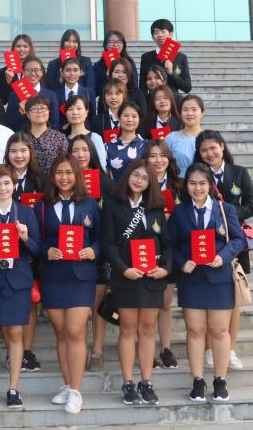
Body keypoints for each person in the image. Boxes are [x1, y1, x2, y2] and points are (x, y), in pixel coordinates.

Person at [169, 163, 247, 403]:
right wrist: (182, 262)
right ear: (186, 186)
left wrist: (222, 256)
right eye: (192, 183)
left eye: (202, 183)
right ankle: (198, 380)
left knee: (220, 331)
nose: (198, 188)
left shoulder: (225, 209)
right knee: (195, 330)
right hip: (192, 279)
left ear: (210, 185)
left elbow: (239, 239)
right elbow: (170, 244)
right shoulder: (179, 212)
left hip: (219, 278)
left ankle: (220, 380)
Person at [35, 155, 102, 414]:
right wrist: (46, 251)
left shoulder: (91, 204)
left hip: (81, 276)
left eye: (69, 172)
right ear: (52, 177)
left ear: (77, 175)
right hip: (53, 276)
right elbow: (35, 241)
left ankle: (76, 390)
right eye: (59, 173)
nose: (64, 177)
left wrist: (93, 250)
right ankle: (66, 384)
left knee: (75, 331)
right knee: (61, 332)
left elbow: (101, 237)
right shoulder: (42, 206)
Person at [102, 159, 172, 406]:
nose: (139, 181)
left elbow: (167, 244)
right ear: (128, 176)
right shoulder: (113, 205)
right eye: (136, 175)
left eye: (145, 178)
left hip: (152, 278)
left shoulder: (156, 208)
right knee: (128, 329)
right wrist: (124, 269)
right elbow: (108, 244)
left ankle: (146, 382)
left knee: (147, 329)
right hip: (127, 277)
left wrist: (165, 269)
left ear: (150, 183)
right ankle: (128, 383)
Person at [0, 164, 42, 411]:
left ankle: (13, 389)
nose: (2, 188)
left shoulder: (26, 213)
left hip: (18, 281)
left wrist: (25, 238)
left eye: (6, 183)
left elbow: (38, 249)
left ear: (14, 186)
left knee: (15, 335)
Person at [196, 129, 253, 371]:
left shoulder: (239, 173)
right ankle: (210, 350)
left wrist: (227, 216)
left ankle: (229, 349)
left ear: (222, 146)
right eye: (204, 150)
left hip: (235, 242)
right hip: (206, 242)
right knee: (207, 297)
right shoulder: (198, 175)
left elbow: (251, 205)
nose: (210, 153)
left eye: (213, 148)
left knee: (233, 300)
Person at [66, 134, 113, 372]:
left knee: (96, 302)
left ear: (92, 152)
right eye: (75, 151)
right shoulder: (65, 181)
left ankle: (97, 350)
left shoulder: (106, 183)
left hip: (99, 247)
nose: (80, 155)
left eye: (85, 150)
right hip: (72, 251)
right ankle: (80, 349)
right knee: (80, 305)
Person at [145, 138, 184, 370]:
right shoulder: (140, 182)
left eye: (162, 155)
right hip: (145, 249)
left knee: (165, 303)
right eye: (152, 156)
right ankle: (146, 349)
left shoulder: (179, 185)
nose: (158, 160)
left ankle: (166, 348)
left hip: (171, 248)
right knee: (147, 305)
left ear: (169, 158)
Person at [1, 56, 60, 132]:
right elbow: (8, 124)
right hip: (22, 137)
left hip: (45, 137)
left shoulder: (51, 95)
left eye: (36, 70)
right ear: (23, 72)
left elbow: (54, 124)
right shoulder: (14, 94)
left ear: (42, 72)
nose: (33, 73)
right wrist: (20, 111)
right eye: (29, 70)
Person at [139, 18, 191, 96]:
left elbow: (187, 87)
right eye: (156, 32)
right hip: (153, 100)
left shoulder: (181, 57)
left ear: (170, 34)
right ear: (152, 37)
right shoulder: (146, 57)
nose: (160, 35)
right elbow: (142, 85)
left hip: (174, 100)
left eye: (163, 31)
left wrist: (171, 73)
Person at [63, 94, 109, 172]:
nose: (75, 112)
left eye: (79, 108)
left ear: (86, 112)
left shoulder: (95, 138)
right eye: (70, 109)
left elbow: (102, 166)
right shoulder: (62, 139)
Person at [25, 94, 68, 175]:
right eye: (34, 109)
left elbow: (64, 164)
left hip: (52, 180)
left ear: (48, 112)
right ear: (27, 114)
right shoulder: (22, 138)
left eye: (43, 108)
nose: (39, 111)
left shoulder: (59, 138)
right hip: (27, 181)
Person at [45, 28, 95, 98]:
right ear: (63, 43)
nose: (71, 45)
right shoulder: (53, 64)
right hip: (59, 102)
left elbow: (90, 87)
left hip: (81, 102)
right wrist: (60, 78)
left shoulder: (85, 61)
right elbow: (49, 89)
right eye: (68, 41)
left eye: (74, 42)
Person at [92, 30, 138, 103]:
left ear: (123, 45)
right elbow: (95, 91)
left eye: (119, 42)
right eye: (111, 42)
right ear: (105, 45)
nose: (115, 44)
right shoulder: (98, 66)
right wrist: (108, 78)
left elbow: (134, 85)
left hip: (127, 101)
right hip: (106, 104)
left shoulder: (130, 63)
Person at [106, 102, 147, 183]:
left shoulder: (146, 145)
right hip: (115, 190)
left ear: (139, 119)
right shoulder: (108, 146)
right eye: (126, 115)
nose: (130, 120)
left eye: (134, 116)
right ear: (119, 118)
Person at [166, 94, 206, 175]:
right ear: (180, 113)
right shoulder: (170, 138)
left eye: (194, 109)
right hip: (177, 181)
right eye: (185, 110)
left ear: (202, 113)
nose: (189, 113)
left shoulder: (208, 138)